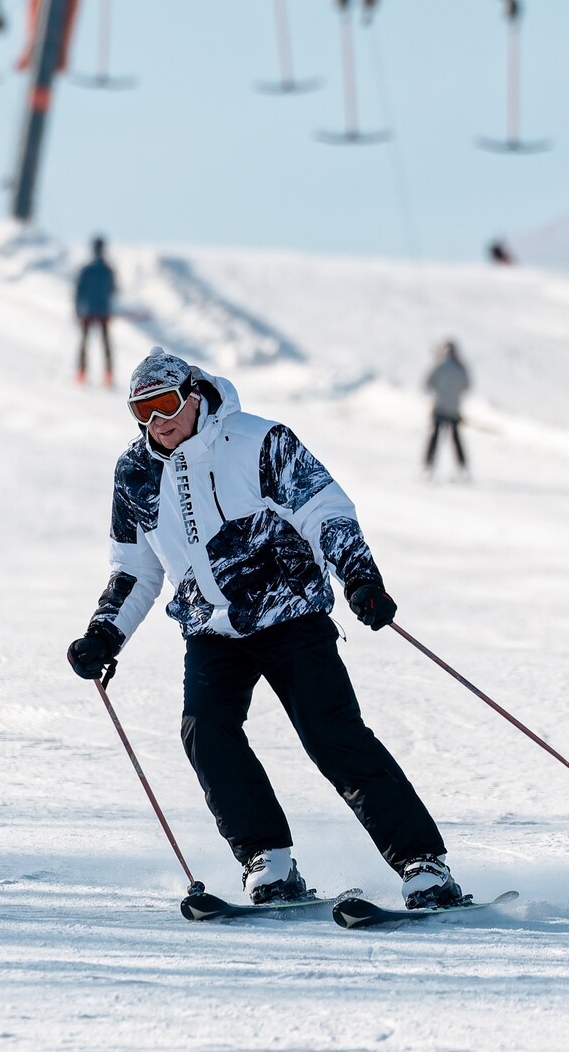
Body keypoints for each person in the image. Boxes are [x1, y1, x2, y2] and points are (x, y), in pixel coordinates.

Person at [66, 348, 461, 910]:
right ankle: (268, 860)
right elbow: (135, 569)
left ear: (195, 394)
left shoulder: (260, 441)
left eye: (166, 404)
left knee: (332, 736)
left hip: (290, 614)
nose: (158, 421)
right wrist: (104, 635)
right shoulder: (135, 473)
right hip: (211, 627)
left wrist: (359, 577)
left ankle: (423, 863)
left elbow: (324, 509)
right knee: (205, 730)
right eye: (142, 411)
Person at [423, 340, 471, 479]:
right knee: (456, 440)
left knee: (435, 438)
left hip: (439, 408)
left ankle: (428, 466)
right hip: (454, 409)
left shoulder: (439, 366)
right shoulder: (460, 368)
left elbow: (428, 383)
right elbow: (466, 385)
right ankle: (462, 468)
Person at [74, 236, 117, 388]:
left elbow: (79, 291)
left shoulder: (87, 270)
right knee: (105, 344)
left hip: (88, 311)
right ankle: (108, 375)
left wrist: (77, 310)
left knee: (85, 344)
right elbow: (114, 290)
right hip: (103, 311)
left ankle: (81, 373)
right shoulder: (108, 270)